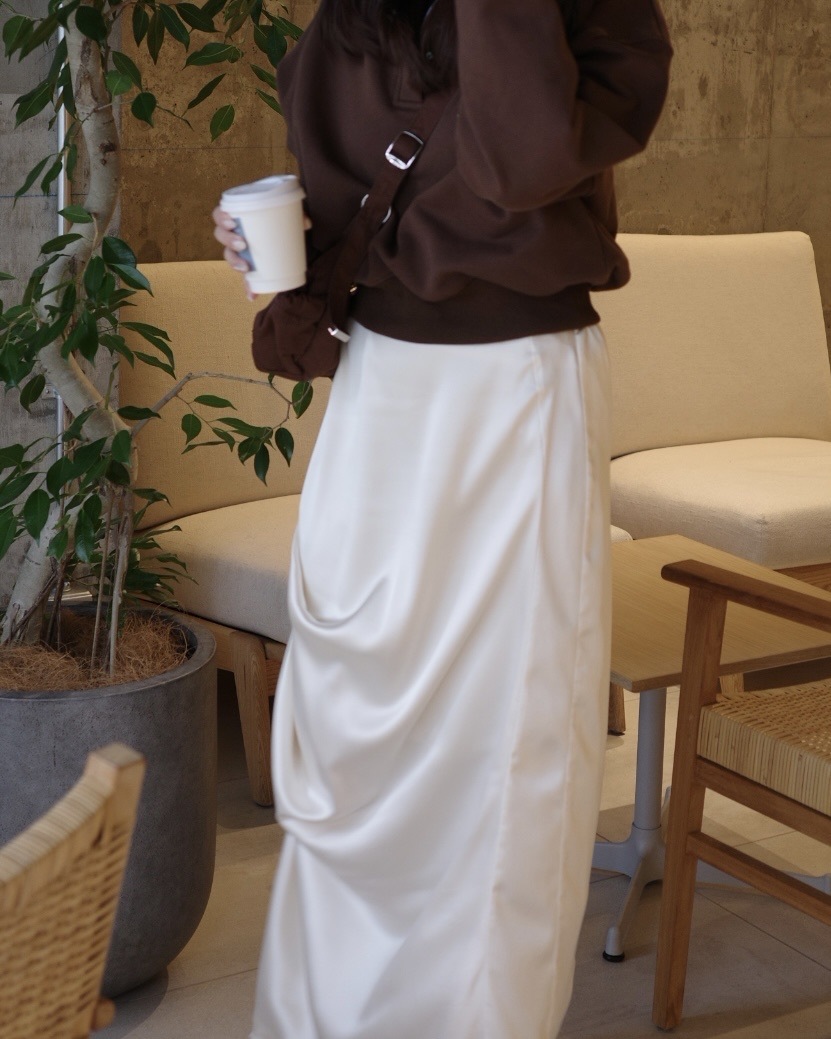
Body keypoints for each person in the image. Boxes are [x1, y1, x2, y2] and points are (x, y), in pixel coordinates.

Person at [213, 1, 672, 1035]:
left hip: (515, 387)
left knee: (499, 741)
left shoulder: (595, 15)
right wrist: (269, 248)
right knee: (352, 719)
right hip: (383, 387)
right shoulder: (356, 15)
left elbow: (521, 160)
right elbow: (339, 194)